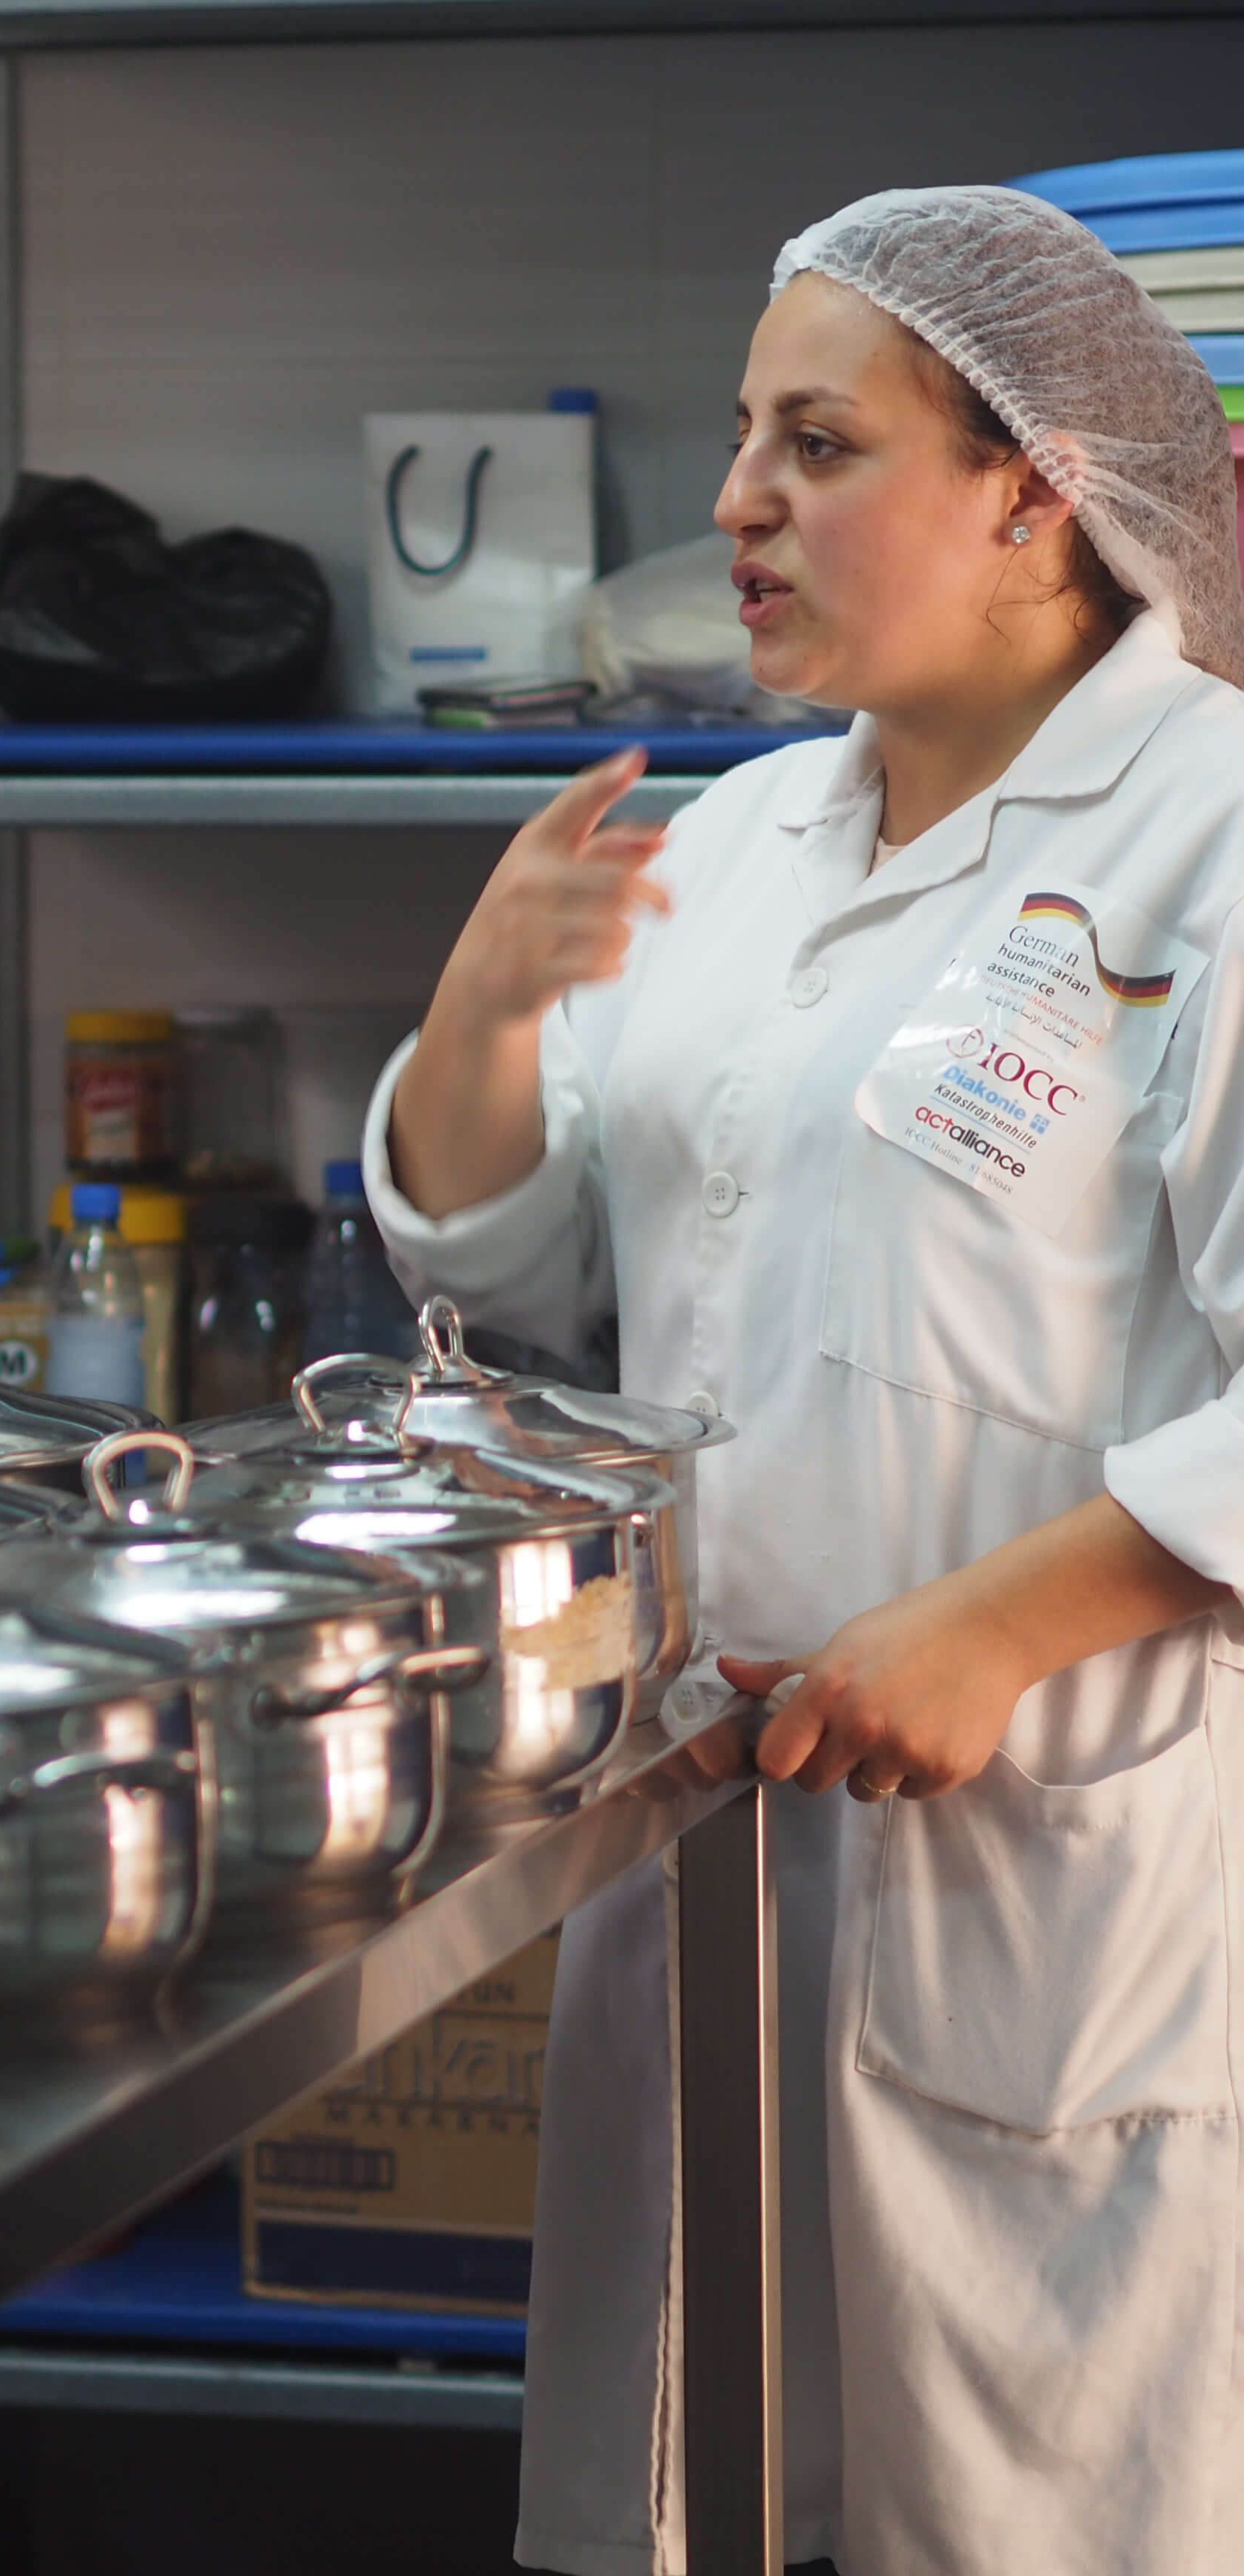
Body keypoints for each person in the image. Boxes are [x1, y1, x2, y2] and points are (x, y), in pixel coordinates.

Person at [370, 186, 1244, 2575]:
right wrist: (479, 1005)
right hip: (715, 1832)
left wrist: (991, 1628)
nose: (736, 500)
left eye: (817, 443)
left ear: (1036, 491)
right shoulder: (746, 836)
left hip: (1045, 1861)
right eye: (744, 437)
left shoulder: (1219, 832)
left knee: (1022, 2509)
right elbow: (496, 1237)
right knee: (705, 2491)